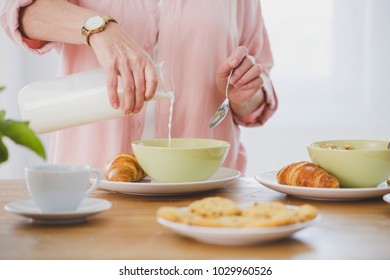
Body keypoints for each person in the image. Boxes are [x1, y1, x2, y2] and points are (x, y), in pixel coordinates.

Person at [0, 0, 277, 174]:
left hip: (202, 189)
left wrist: (244, 93)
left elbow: (257, 91)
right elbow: (21, 12)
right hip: (89, 185)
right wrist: (98, 28)